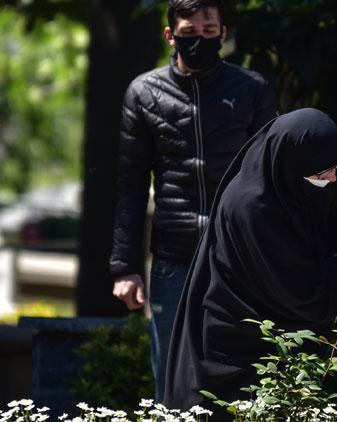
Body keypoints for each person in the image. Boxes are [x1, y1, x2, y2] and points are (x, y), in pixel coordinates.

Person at [163, 108, 337, 415]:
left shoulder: (280, 184)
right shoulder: (253, 209)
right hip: (233, 353)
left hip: (260, 347)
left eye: (335, 168)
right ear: (291, 162)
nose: (332, 178)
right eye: (321, 174)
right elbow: (304, 290)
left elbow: (300, 241)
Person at [109, 0, 277, 402]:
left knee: (243, 378)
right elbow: (131, 187)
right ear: (170, 35)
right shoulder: (144, 93)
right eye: (189, 32)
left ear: (222, 34)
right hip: (174, 259)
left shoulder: (252, 91)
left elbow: (272, 180)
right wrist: (124, 268)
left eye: (208, 30)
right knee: (170, 379)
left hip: (237, 259)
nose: (199, 39)